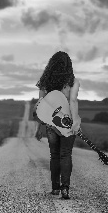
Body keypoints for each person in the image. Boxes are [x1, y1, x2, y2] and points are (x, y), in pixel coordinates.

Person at [34, 51, 81, 199]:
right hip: (67, 123)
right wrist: (76, 120)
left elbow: (41, 107)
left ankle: (55, 188)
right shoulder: (73, 82)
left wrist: (39, 128)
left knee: (54, 155)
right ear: (69, 65)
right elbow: (73, 102)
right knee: (66, 154)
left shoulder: (45, 82)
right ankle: (65, 188)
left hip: (51, 125)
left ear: (51, 64)